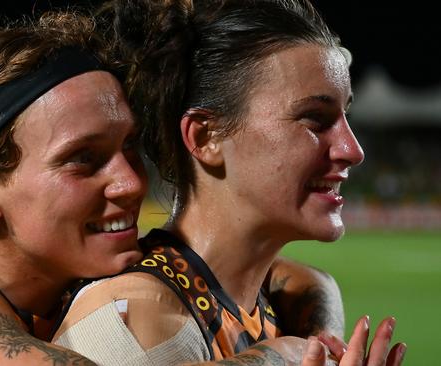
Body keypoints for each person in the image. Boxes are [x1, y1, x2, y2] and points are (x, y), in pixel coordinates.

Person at [0, 9, 351, 366]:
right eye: (82, 161)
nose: (130, 183)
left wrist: (321, 328)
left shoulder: (62, 280)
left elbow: (295, 277)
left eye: (129, 147)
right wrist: (282, 354)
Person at [52, 0, 406, 365]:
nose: (353, 150)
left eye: (345, 116)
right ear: (206, 138)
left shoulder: (280, 306)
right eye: (314, 119)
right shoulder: (137, 321)